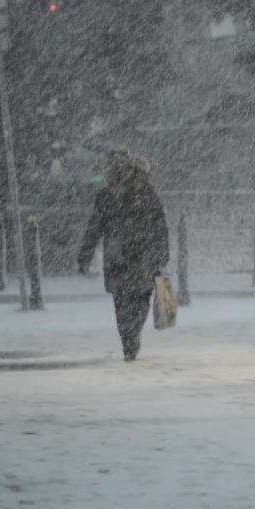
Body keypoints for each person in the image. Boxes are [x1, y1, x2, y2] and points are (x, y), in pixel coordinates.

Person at [78, 151, 169, 362]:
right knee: (138, 300)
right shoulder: (144, 195)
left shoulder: (115, 196)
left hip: (122, 258)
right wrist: (162, 255)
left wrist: (85, 255)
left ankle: (129, 339)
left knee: (123, 303)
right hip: (142, 259)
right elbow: (160, 228)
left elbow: (95, 229)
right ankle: (132, 337)